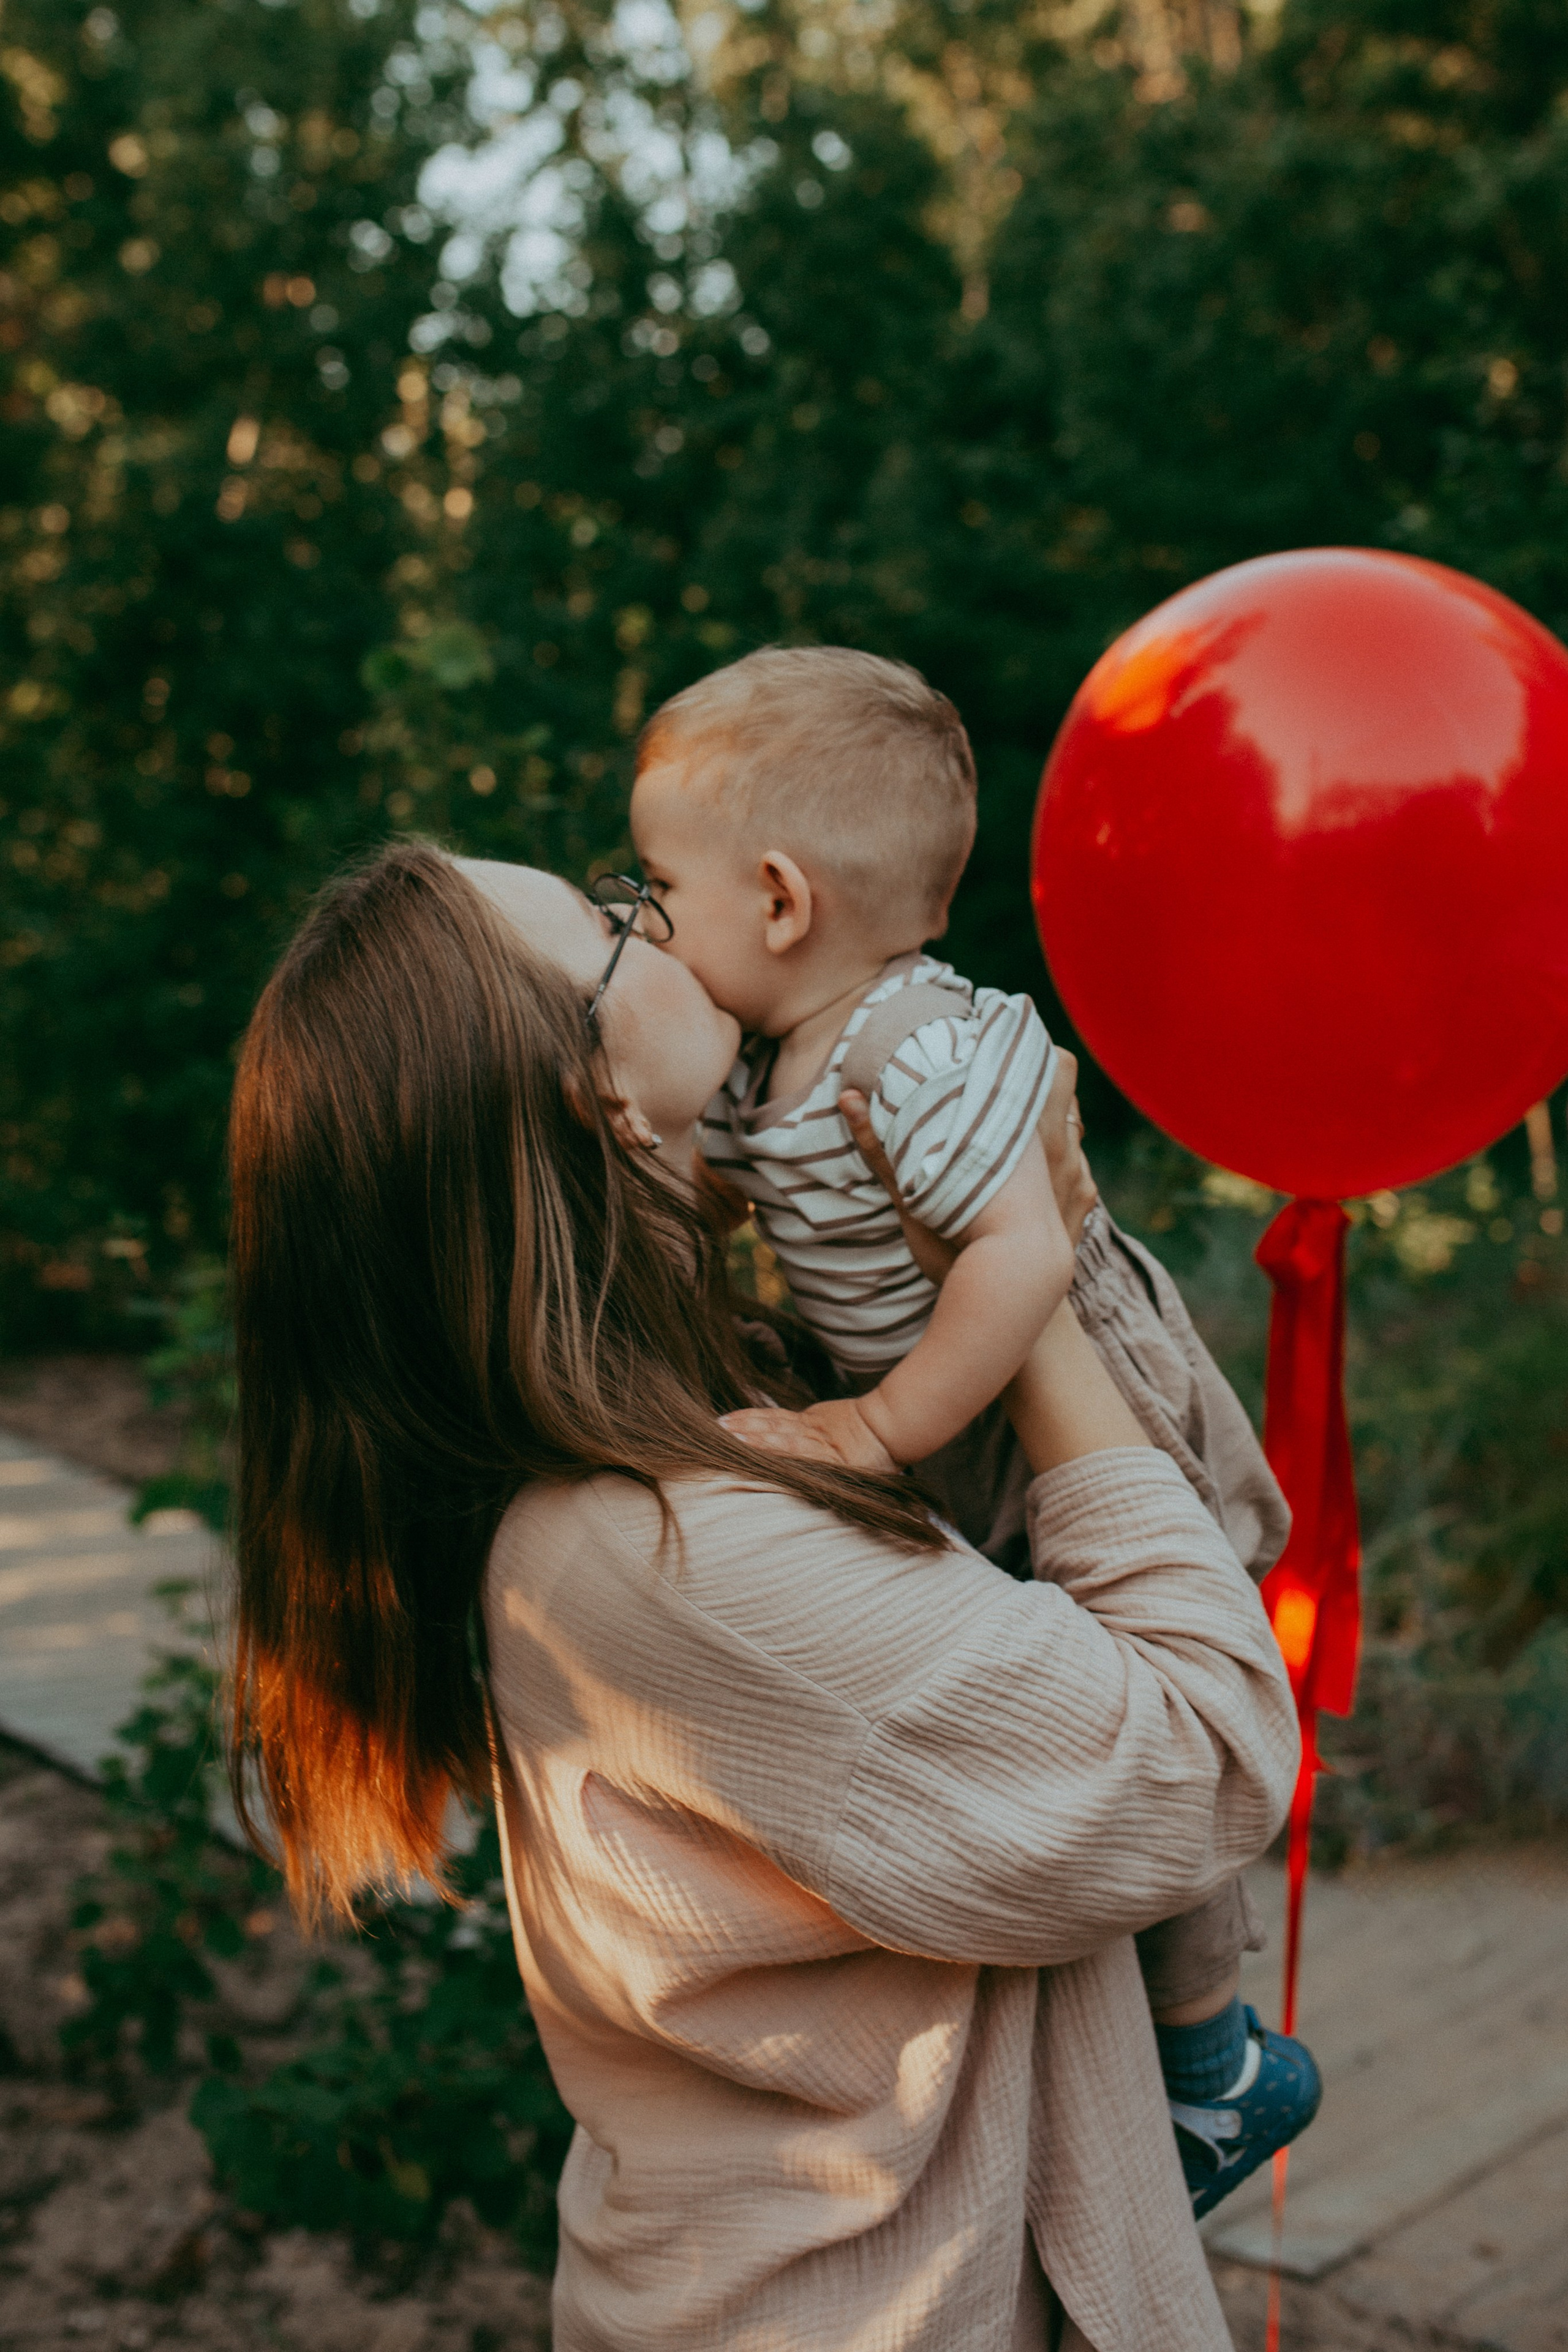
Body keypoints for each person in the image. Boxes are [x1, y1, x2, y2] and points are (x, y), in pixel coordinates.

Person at [227, 840, 1298, 2351]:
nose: (657, 915)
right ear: (600, 1095)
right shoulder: (669, 1558)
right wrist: (1024, 1280)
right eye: (613, 923)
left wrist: (994, 1236)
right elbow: (1202, 1754)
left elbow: (1154, 1514)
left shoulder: (701, 1414)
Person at [628, 645, 1320, 2209]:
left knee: (1157, 1690)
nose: (647, 918)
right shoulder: (759, 1063)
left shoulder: (916, 1044)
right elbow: (751, 1192)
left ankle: (1211, 2075)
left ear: (782, 900)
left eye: (660, 884)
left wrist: (874, 1429)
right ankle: (1133, 2050)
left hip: (1076, 1412)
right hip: (959, 1428)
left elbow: (1016, 1258)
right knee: (1059, 1719)